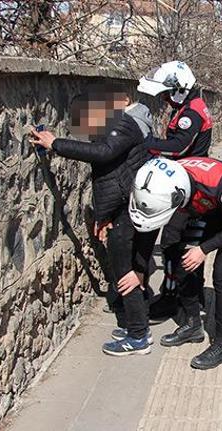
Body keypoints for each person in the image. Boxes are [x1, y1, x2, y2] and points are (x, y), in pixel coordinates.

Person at [30, 86, 154, 356]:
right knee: (130, 266)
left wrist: (56, 144)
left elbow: (103, 154)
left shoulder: (123, 124)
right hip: (125, 206)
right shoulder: (123, 123)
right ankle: (138, 323)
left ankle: (138, 336)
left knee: (125, 271)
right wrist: (104, 216)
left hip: (128, 209)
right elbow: (112, 173)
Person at [128, 156, 222, 369]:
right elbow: (151, 230)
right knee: (178, 254)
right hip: (204, 203)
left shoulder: (220, 187)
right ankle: (193, 324)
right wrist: (140, 269)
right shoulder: (167, 182)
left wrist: (204, 249)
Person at [136, 60, 214, 325]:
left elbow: (178, 147)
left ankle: (174, 299)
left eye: (168, 94)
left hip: (187, 187)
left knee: (173, 243)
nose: (167, 100)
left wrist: (148, 144)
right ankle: (189, 295)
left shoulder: (191, 113)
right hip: (189, 182)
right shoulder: (190, 106)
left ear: (180, 89)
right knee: (188, 242)